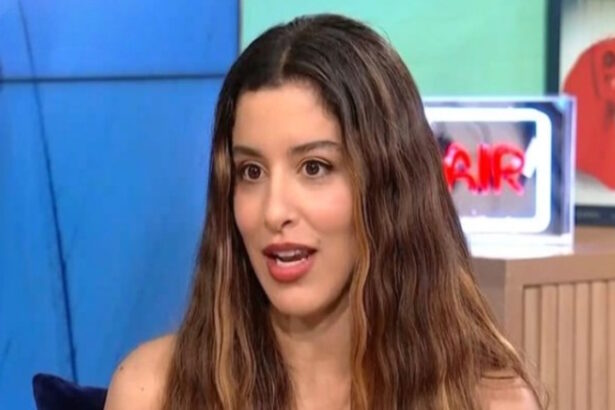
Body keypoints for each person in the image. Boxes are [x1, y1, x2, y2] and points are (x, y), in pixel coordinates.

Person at [104, 14, 543, 409]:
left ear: (390, 188)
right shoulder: (152, 391)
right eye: (251, 171)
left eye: (314, 167)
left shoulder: (490, 402)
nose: (274, 211)